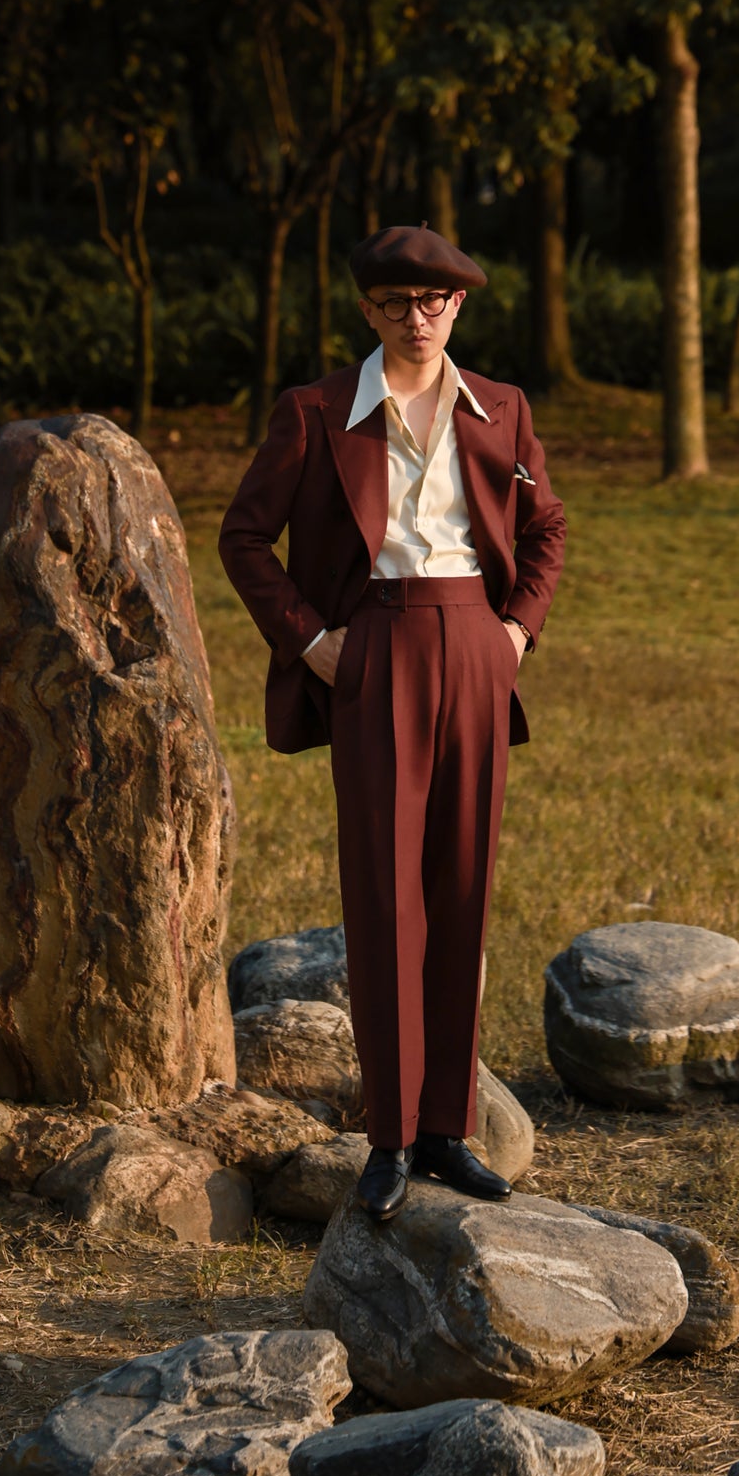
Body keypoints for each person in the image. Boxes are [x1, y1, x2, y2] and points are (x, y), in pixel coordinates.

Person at [219, 223, 566, 1221]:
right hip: (370, 648)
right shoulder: (316, 411)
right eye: (395, 304)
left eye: (434, 302)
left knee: (461, 887)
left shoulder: (501, 409)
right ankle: (388, 1136)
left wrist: (513, 635)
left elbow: (543, 531)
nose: (416, 319)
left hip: (472, 648)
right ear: (367, 310)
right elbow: (244, 536)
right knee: (383, 897)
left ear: (457, 307)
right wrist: (311, 642)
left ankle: (448, 1131)